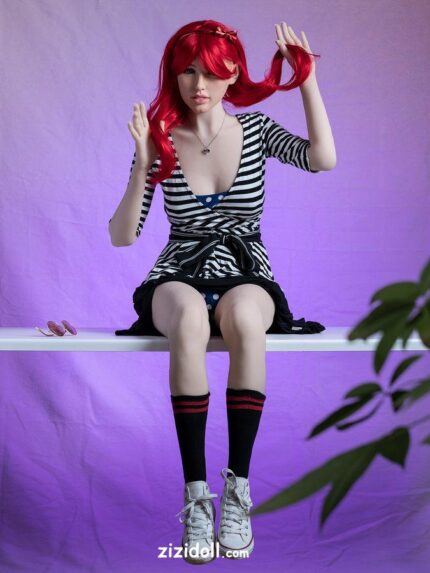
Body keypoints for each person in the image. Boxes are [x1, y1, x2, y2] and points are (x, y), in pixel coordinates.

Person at [108, 19, 336, 564]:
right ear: (173, 75)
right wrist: (142, 163)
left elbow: (321, 158)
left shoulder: (255, 131)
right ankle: (196, 497)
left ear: (234, 73)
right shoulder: (160, 138)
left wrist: (306, 79)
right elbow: (123, 236)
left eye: (211, 71)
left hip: (245, 271)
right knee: (189, 318)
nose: (199, 83)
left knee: (246, 320)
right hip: (178, 272)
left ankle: (237, 493)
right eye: (187, 71)